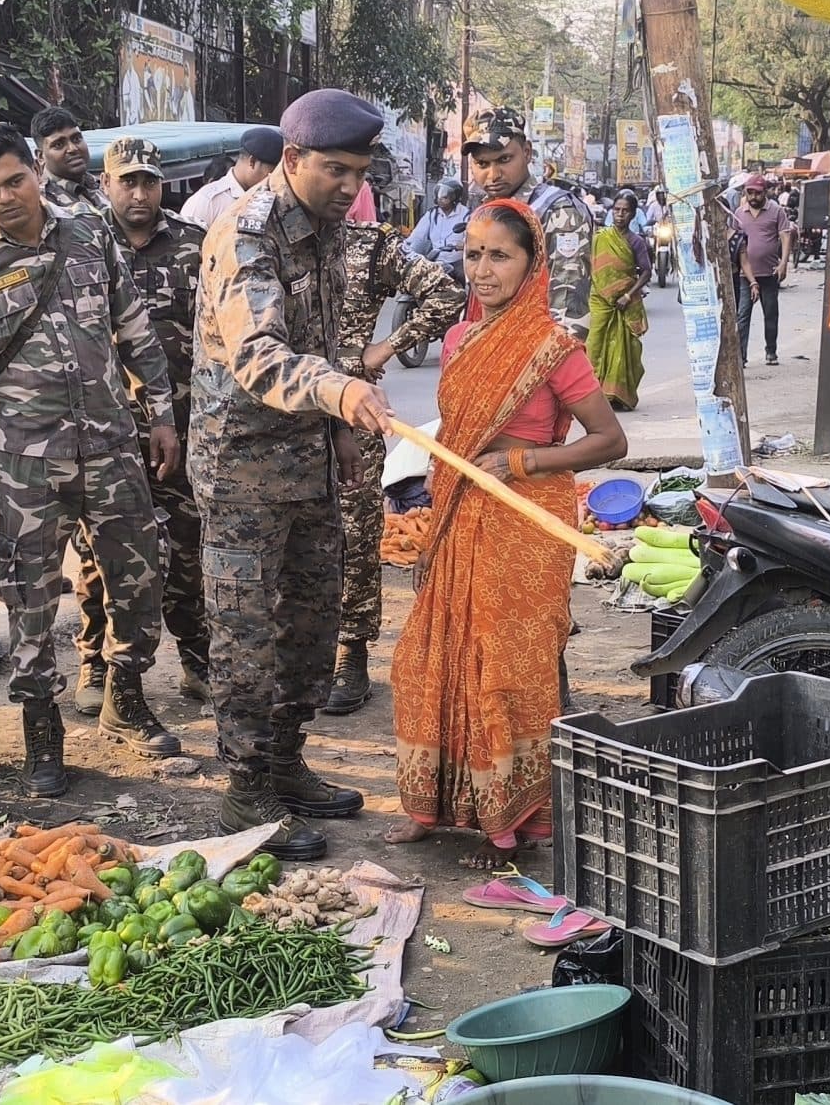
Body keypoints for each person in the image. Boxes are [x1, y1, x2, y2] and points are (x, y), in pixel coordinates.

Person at [0, 124, 180, 796]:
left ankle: (125, 697)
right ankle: (44, 731)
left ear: (35, 172)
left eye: (15, 180)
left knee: (140, 577)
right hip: (24, 465)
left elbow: (133, 325)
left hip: (109, 442)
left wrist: (158, 412)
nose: (5, 197)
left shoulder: (90, 232)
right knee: (31, 601)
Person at [384, 199, 627, 867]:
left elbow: (610, 439)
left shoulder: (555, 346)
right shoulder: (460, 339)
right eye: (472, 254)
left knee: (508, 666)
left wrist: (522, 460)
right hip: (461, 509)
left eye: (500, 256)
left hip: (527, 518)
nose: (483, 270)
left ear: (531, 264)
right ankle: (429, 804)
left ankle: (512, 817)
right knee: (434, 653)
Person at [196, 88, 395, 860]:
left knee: (311, 624)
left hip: (308, 457)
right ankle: (246, 790)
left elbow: (326, 337)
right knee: (247, 636)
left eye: (360, 171)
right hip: (244, 468)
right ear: (294, 158)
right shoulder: (245, 233)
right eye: (336, 170)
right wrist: (340, 392)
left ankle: (285, 758)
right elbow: (257, 355)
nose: (350, 186)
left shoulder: (324, 229)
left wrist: (340, 426)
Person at [70, 135, 214, 722]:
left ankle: (196, 657)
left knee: (185, 544)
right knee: (99, 555)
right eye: (126, 180)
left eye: (148, 180)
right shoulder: (79, 246)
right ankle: (96, 663)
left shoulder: (193, 246)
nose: (138, 191)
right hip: (103, 432)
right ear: (104, 183)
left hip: (178, 427)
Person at [328, 213, 467, 714]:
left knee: (356, 532)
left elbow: (447, 293)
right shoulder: (265, 241)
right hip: (284, 410)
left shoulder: (368, 245)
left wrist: (384, 346)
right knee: (291, 536)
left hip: (356, 409)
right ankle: (302, 654)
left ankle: (351, 653)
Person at [462, 108, 592, 333]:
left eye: (504, 159)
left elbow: (568, 312)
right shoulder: (482, 211)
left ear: (527, 152)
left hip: (533, 349)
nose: (493, 175)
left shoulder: (558, 211)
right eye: (482, 164)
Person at [590, 191, 650, 409]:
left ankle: (617, 394)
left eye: (625, 211)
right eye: (616, 210)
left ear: (633, 214)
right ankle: (593, 394)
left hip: (625, 302)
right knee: (595, 344)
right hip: (600, 300)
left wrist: (628, 295)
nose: (620, 215)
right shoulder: (600, 238)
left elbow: (646, 272)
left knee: (626, 347)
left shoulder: (636, 242)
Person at [731, 175, 791, 365]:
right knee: (742, 316)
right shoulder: (739, 213)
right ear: (745, 193)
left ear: (764, 192)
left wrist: (784, 263)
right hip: (745, 275)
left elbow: (785, 236)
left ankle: (771, 351)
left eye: (757, 193)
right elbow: (732, 238)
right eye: (750, 192)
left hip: (769, 273)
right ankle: (741, 355)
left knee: (771, 314)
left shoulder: (776, 211)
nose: (754, 197)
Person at [181, 126, 285, 227]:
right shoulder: (208, 202)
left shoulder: (271, 199)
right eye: (272, 172)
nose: (275, 178)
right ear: (252, 162)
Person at [30, 105, 110, 218]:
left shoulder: (103, 187)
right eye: (58, 145)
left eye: (76, 139)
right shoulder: (41, 203)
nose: (73, 149)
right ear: (41, 156)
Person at [405, 178, 469, 283]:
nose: (441, 199)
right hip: (434, 258)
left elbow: (472, 237)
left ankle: (466, 298)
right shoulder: (432, 214)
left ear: (455, 197)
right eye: (439, 194)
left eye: (445, 196)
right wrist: (404, 247)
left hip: (456, 261)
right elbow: (417, 236)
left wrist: (464, 244)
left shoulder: (466, 215)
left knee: (464, 275)